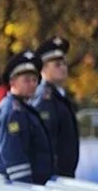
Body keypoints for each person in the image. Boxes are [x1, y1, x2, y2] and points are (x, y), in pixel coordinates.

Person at [0, 50, 54, 185]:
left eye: (34, 80)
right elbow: (12, 152)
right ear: (13, 82)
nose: (32, 84)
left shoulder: (24, 108)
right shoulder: (12, 111)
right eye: (26, 80)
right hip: (22, 186)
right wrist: (24, 185)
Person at [32, 36, 79, 177]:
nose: (63, 67)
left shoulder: (59, 95)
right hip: (54, 174)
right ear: (44, 68)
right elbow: (45, 141)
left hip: (64, 173)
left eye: (64, 63)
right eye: (57, 64)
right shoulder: (44, 98)